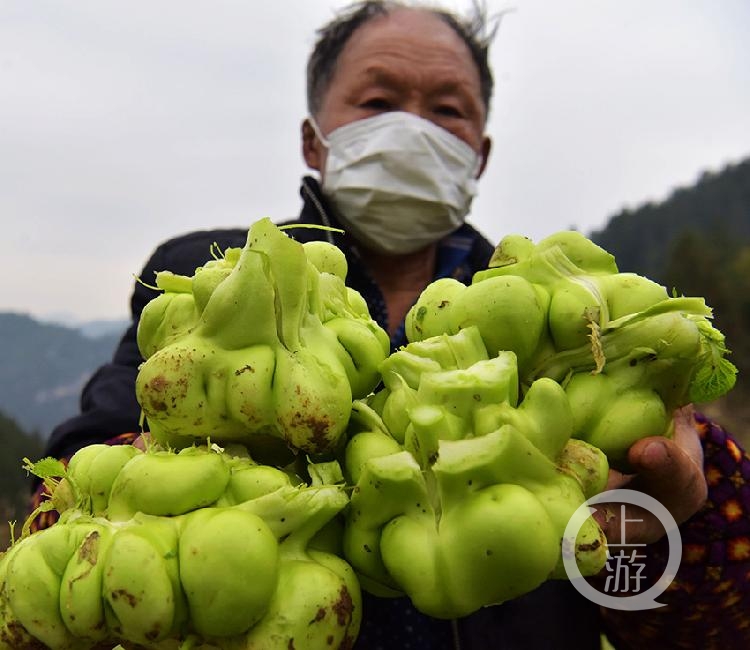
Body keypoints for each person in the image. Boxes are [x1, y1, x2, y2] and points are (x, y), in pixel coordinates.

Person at [39, 2, 749, 648]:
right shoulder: (206, 276)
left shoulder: (560, 326)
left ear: (480, 153)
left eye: (448, 110)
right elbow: (81, 471)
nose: (414, 128)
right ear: (313, 141)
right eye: (378, 101)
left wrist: (678, 519)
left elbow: (696, 629)